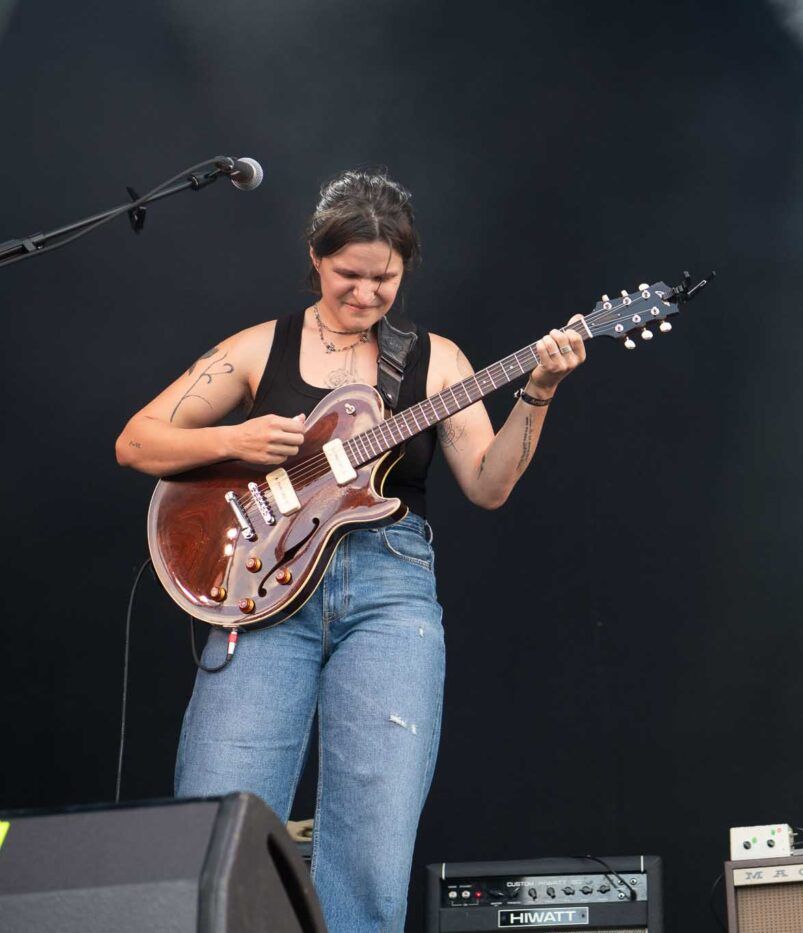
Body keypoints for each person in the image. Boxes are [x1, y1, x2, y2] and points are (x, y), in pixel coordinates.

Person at [115, 169, 586, 931]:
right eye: (348, 276)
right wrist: (234, 438)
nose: (365, 295)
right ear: (315, 256)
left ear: (405, 268)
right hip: (263, 588)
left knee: (372, 833)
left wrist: (537, 393)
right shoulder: (259, 347)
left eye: (384, 279)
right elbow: (137, 441)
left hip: (389, 590)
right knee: (223, 810)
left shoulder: (435, 359)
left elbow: (490, 486)